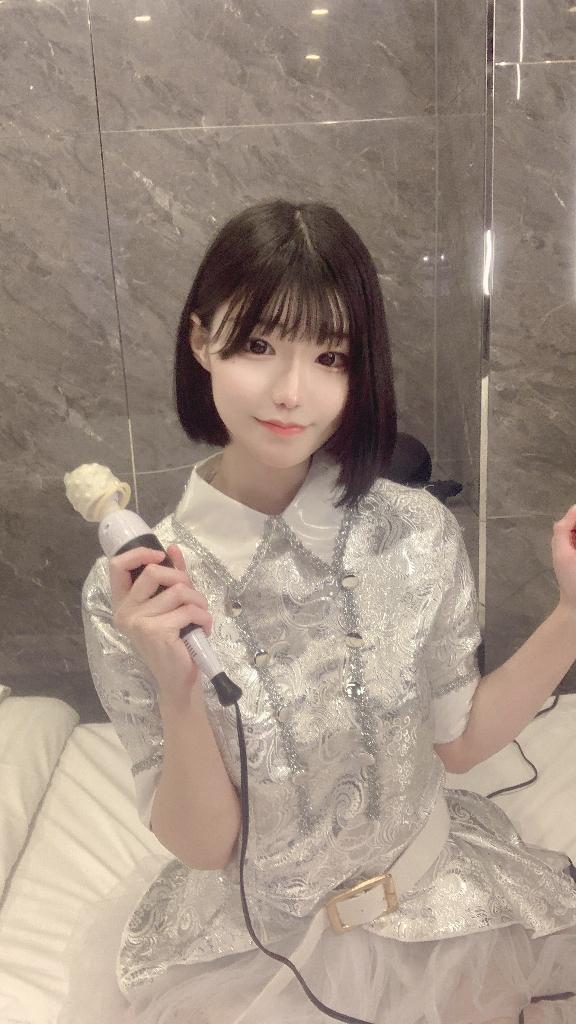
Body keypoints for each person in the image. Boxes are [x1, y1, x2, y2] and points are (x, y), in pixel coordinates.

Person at [60, 199, 576, 1024]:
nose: (292, 392)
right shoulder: (134, 591)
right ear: (201, 340)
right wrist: (177, 686)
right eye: (258, 345)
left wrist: (572, 613)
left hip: (439, 913)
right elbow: (206, 846)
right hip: (254, 952)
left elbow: (460, 741)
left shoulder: (414, 532)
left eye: (330, 356)